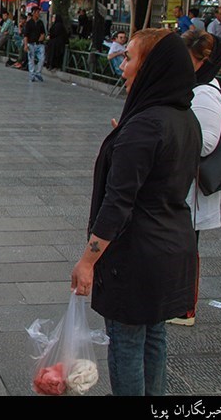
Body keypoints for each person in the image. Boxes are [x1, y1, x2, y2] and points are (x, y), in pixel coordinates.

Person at [71, 28, 201, 396]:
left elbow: (118, 204)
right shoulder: (182, 118)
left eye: (129, 58)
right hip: (171, 247)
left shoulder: (145, 125)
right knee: (154, 336)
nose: (122, 65)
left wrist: (87, 261)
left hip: (137, 256)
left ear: (152, 67)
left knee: (127, 342)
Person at [166, 30, 221, 328]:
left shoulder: (205, 92)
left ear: (203, 60)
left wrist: (168, 138)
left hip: (191, 184)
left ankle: (184, 308)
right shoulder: (193, 85)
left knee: (186, 246)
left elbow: (207, 141)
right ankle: (175, 301)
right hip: (181, 180)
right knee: (179, 243)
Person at [24, 6, 47, 82]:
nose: (38, 14)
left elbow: (43, 32)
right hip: (31, 44)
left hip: (39, 44)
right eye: (37, 12)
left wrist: (42, 36)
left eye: (39, 12)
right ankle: (32, 74)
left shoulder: (40, 23)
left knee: (42, 58)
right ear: (33, 13)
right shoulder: (29, 23)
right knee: (31, 59)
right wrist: (25, 45)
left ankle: (38, 72)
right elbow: (26, 35)